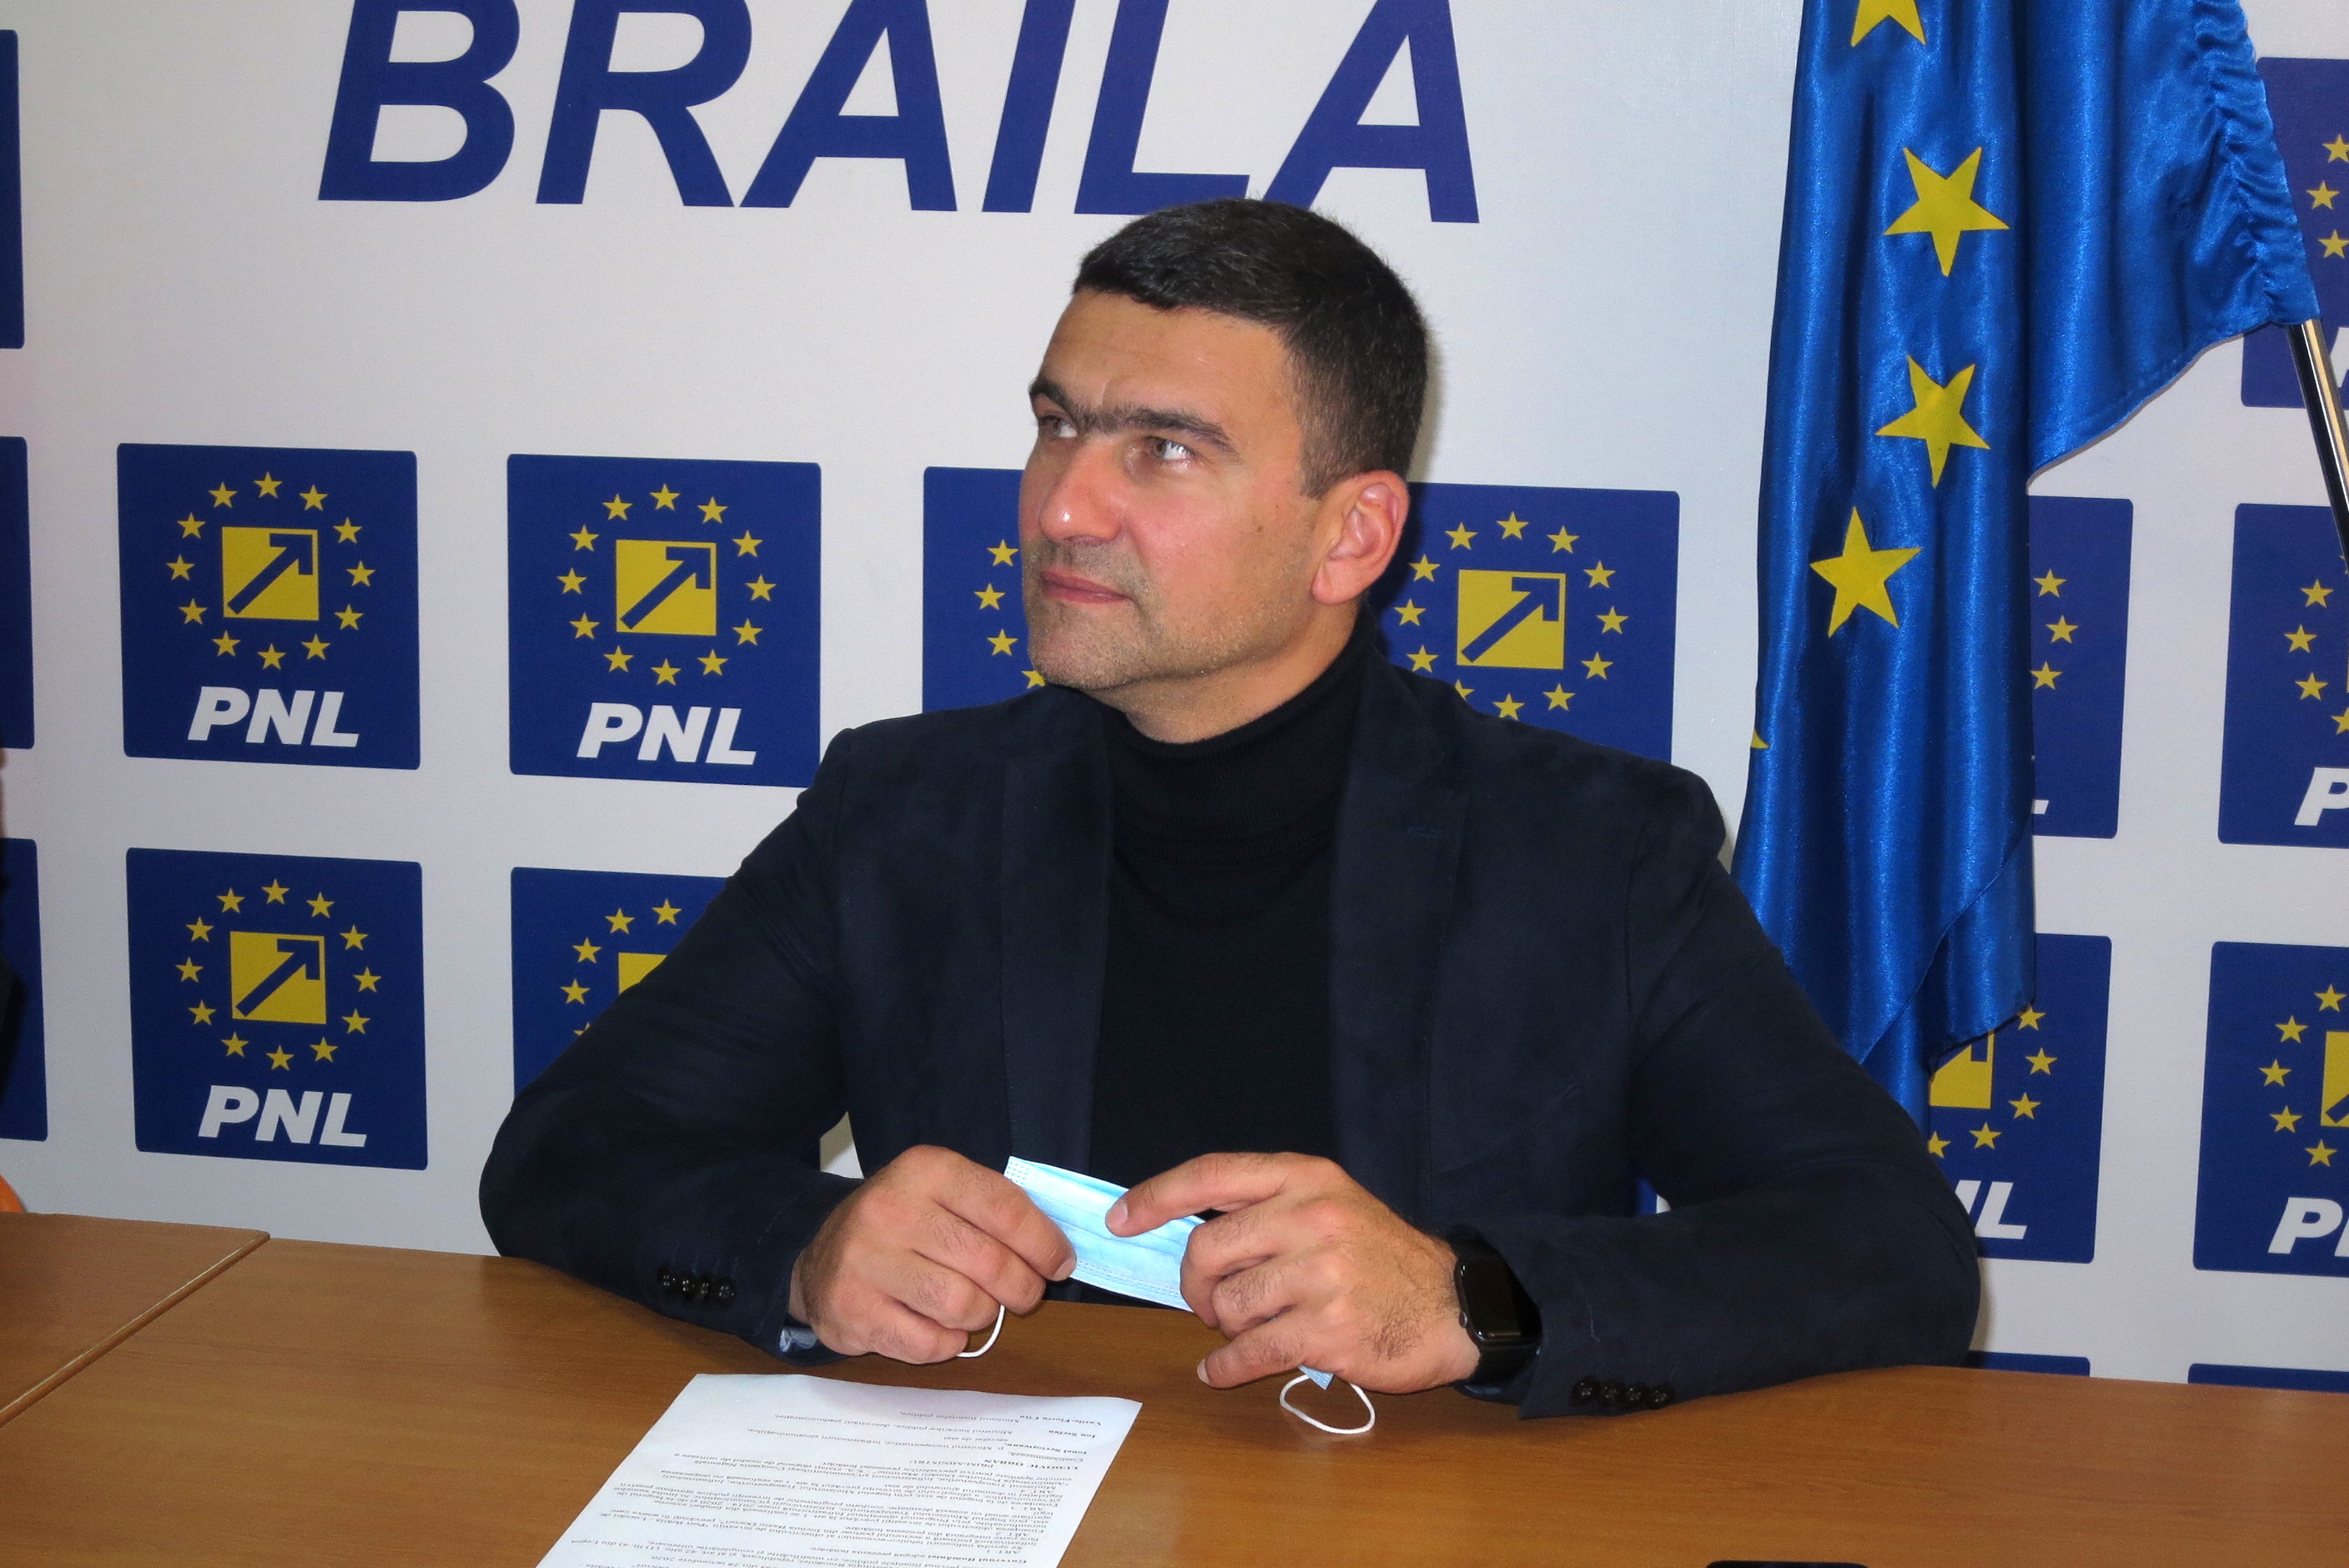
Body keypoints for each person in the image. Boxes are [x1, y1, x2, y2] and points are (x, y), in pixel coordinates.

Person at [480, 199, 1978, 1418]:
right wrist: (807, 1247)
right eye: (1057, 425)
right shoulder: (904, 812)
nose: (1063, 506)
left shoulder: (1592, 849)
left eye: (1163, 449)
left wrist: (1476, 1299)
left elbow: (1887, 1245)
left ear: (1353, 536)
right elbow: (570, 1150)